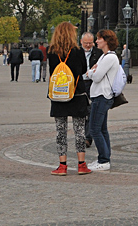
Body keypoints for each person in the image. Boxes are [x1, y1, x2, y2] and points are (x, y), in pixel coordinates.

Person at [47, 22, 91, 176]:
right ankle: (81, 164)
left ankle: (62, 165)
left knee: (60, 131)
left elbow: (52, 72)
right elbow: (83, 70)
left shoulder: (51, 51)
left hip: (59, 95)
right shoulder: (78, 51)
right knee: (79, 130)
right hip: (76, 94)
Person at [85, 29, 120, 171]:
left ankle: (104, 160)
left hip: (102, 96)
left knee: (94, 129)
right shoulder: (104, 56)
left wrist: (91, 72)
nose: (96, 41)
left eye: (99, 39)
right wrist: (92, 71)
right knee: (102, 129)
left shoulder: (110, 57)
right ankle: (105, 158)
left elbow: (96, 75)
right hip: (100, 96)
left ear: (106, 40)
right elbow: (93, 72)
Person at [80, 32, 103, 148]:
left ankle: (87, 138)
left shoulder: (98, 53)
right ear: (81, 42)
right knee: (80, 111)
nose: (88, 45)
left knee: (91, 110)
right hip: (80, 84)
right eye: (85, 43)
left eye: (90, 43)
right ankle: (80, 135)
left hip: (93, 84)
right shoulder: (76, 52)